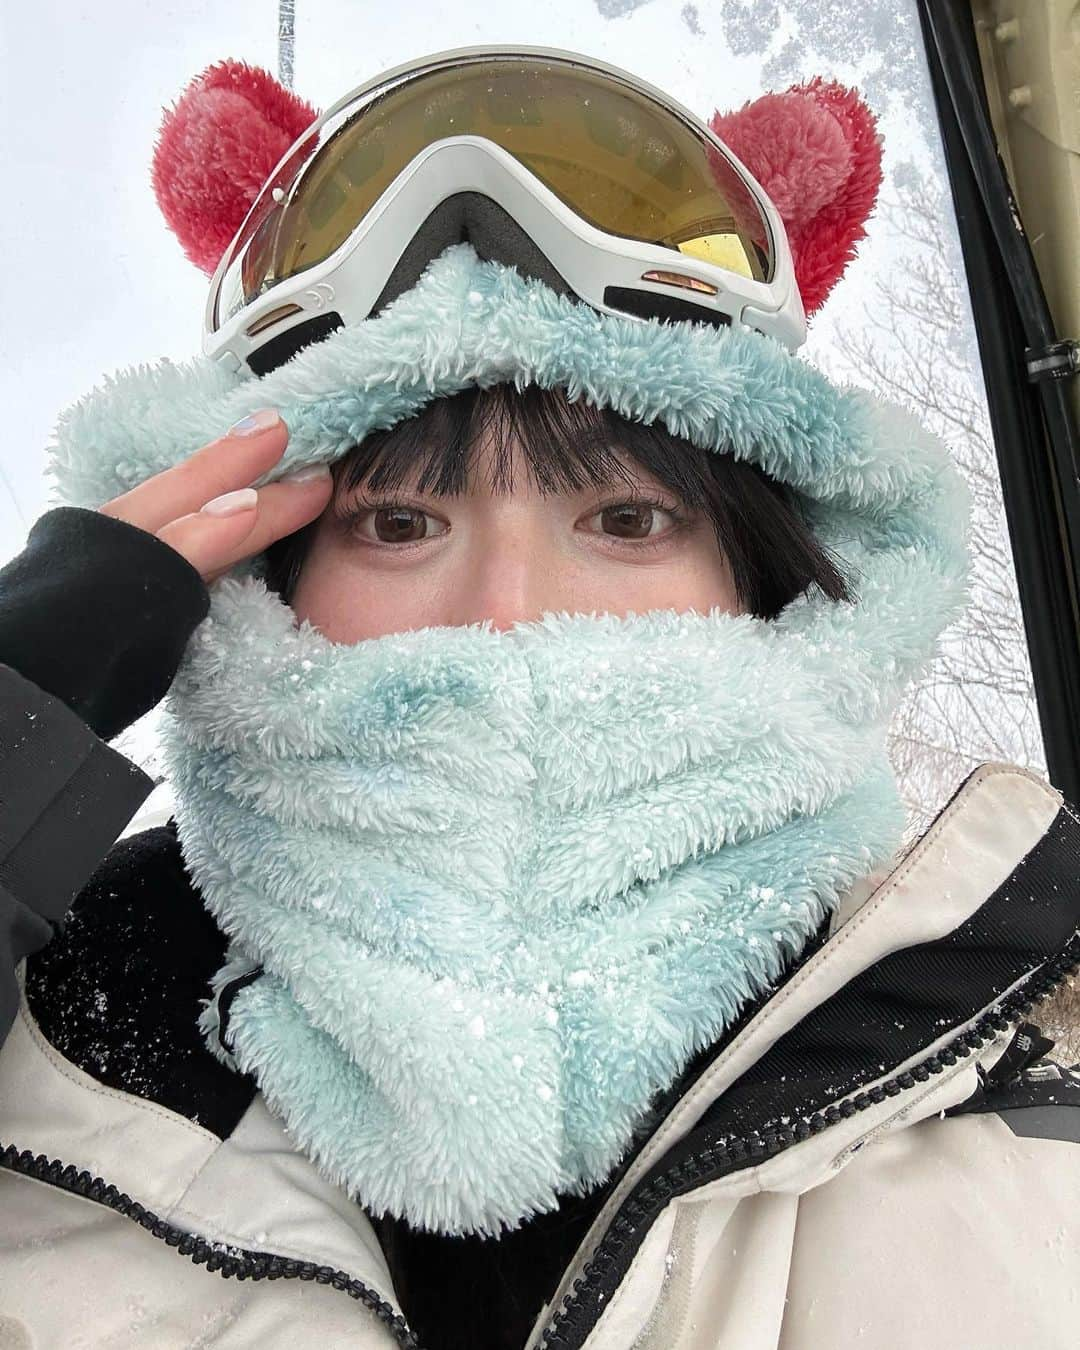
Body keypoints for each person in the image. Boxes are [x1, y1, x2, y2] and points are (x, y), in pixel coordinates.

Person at [1, 47, 1079, 1350]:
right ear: (254, 582)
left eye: (622, 516)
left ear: (772, 579)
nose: (508, 609)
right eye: (399, 521)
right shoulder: (54, 1028)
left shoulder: (1015, 1051)